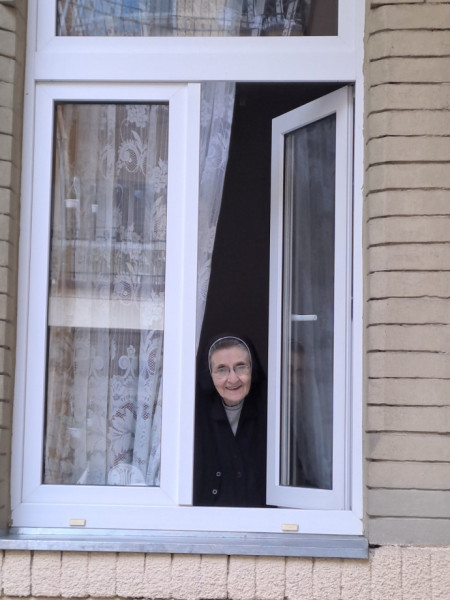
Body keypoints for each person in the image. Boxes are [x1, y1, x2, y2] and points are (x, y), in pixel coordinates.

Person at [193, 334, 267, 507]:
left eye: (241, 367)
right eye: (222, 369)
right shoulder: (194, 416)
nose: (233, 379)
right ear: (209, 374)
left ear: (252, 369)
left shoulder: (272, 413)